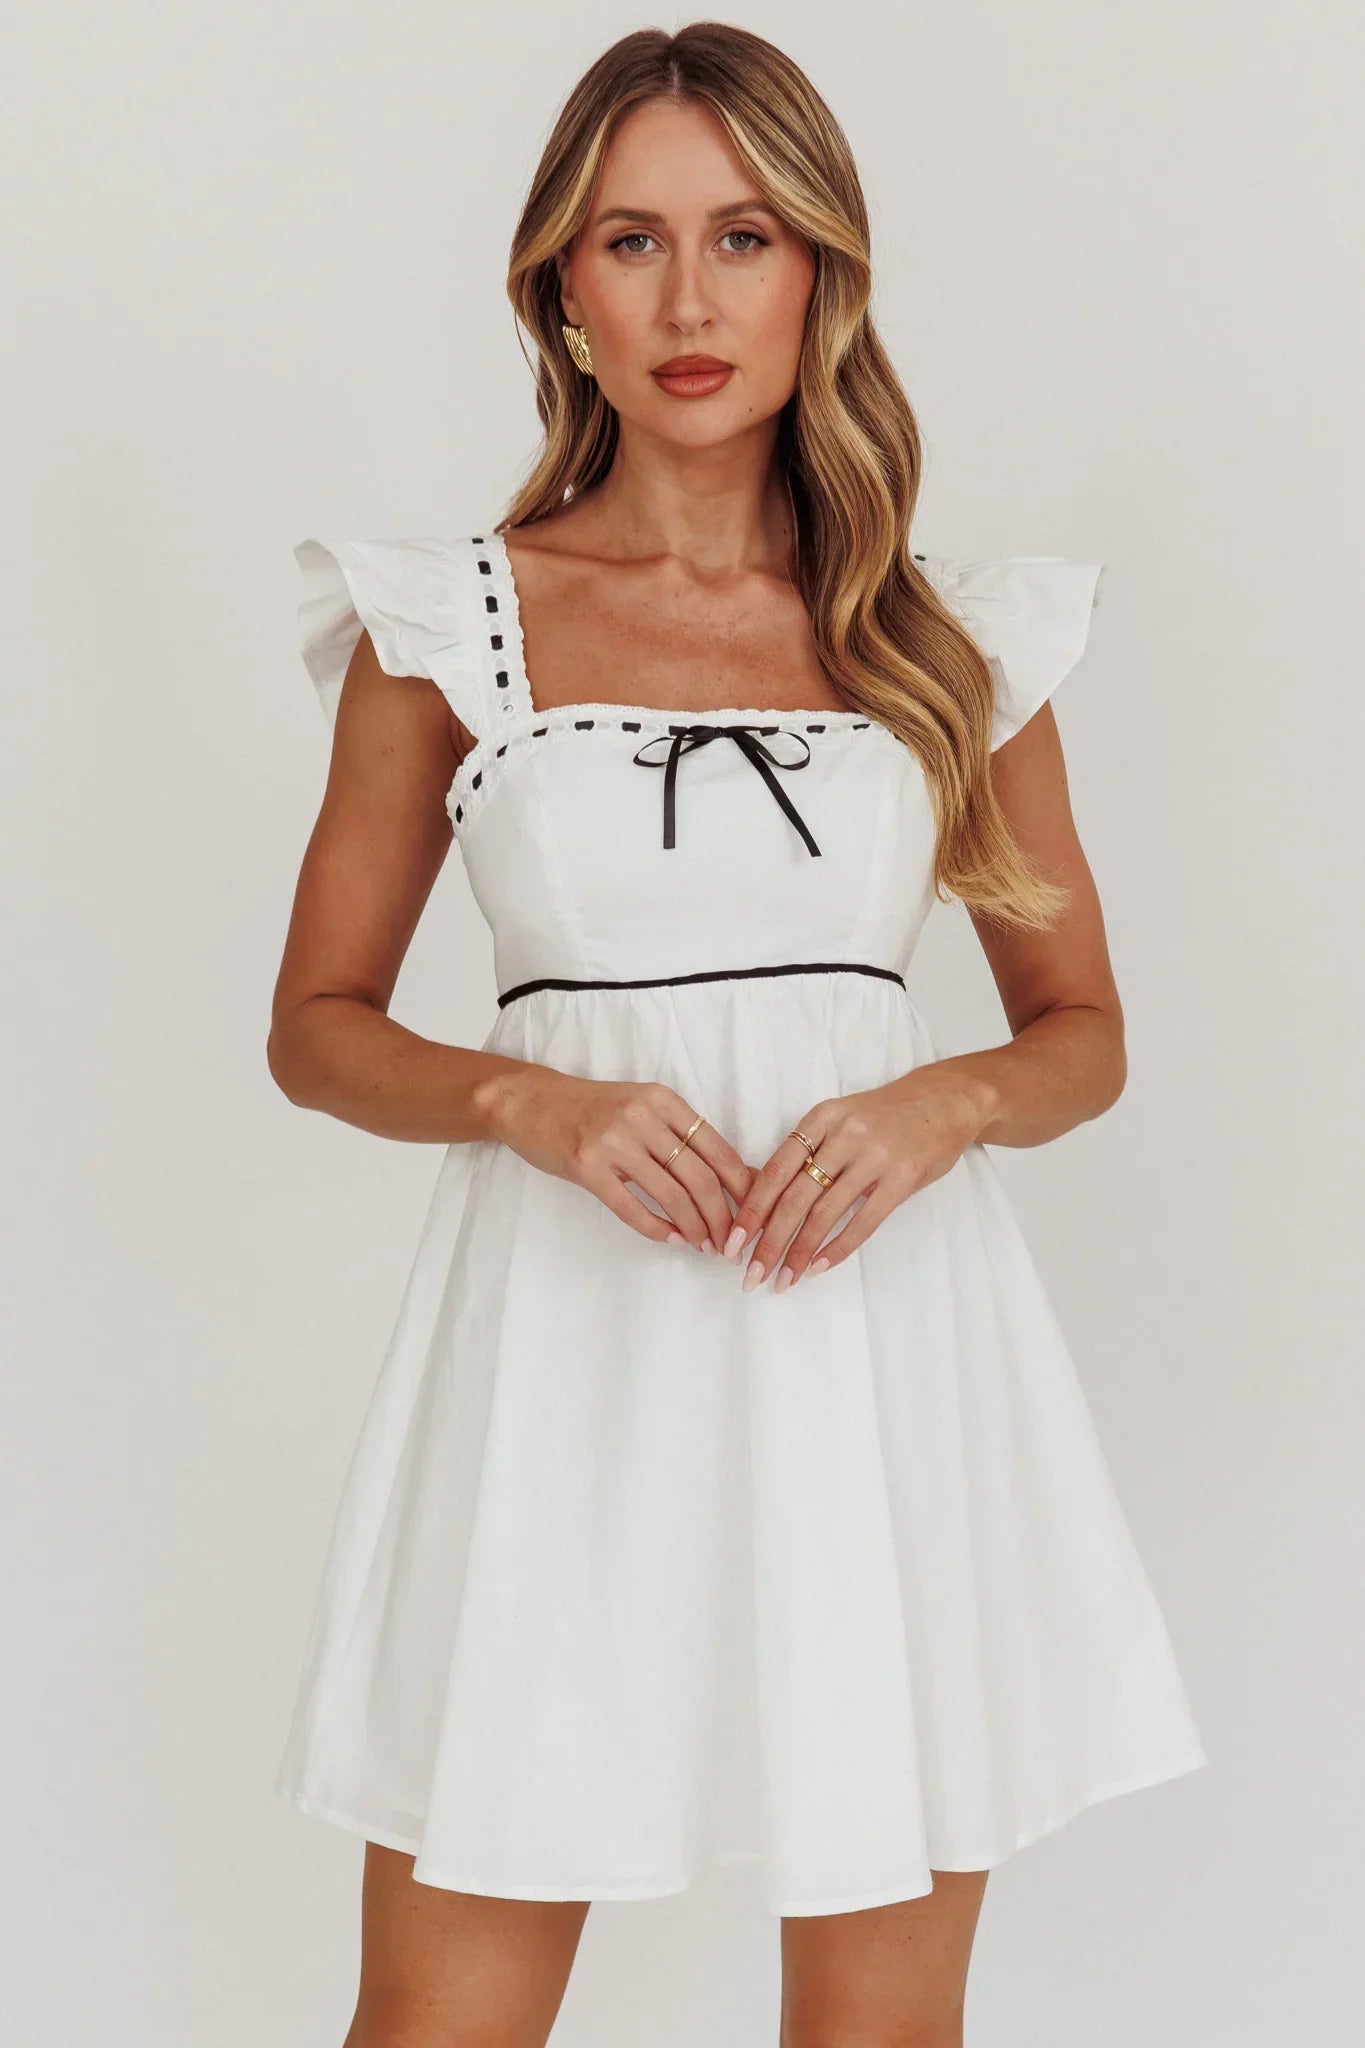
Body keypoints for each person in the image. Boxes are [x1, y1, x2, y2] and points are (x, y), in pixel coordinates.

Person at [268, 22, 1206, 2047]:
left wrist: (941, 1102)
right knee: (437, 2019)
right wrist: (522, 1096)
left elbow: (1080, 1030)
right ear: (560, 287)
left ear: (819, 274)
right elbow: (317, 1028)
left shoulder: (947, 638)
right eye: (631, 240)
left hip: (876, 1355)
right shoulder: (445, 626)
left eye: (743, 237)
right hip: (554, 1362)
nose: (689, 302)